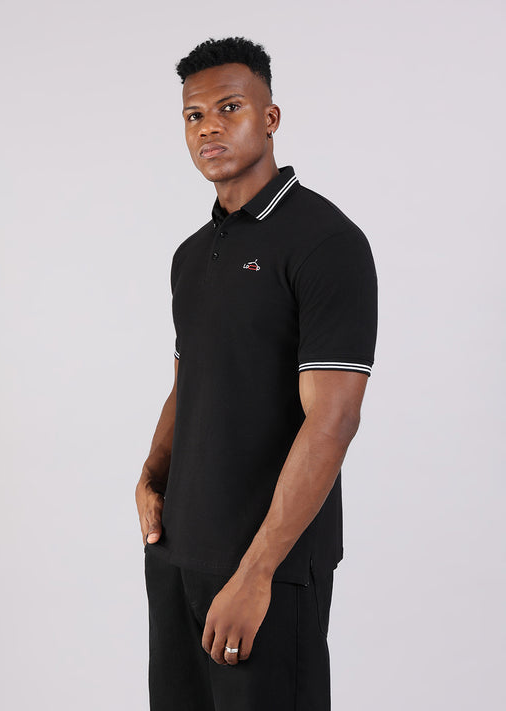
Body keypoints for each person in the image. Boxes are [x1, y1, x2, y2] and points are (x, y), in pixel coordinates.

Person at [135, 36, 378, 711]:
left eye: (229, 108)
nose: (208, 127)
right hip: (179, 555)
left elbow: (333, 419)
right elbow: (189, 379)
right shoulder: (192, 254)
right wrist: (152, 472)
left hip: (266, 568)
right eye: (193, 115)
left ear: (269, 118)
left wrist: (256, 572)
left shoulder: (325, 242)